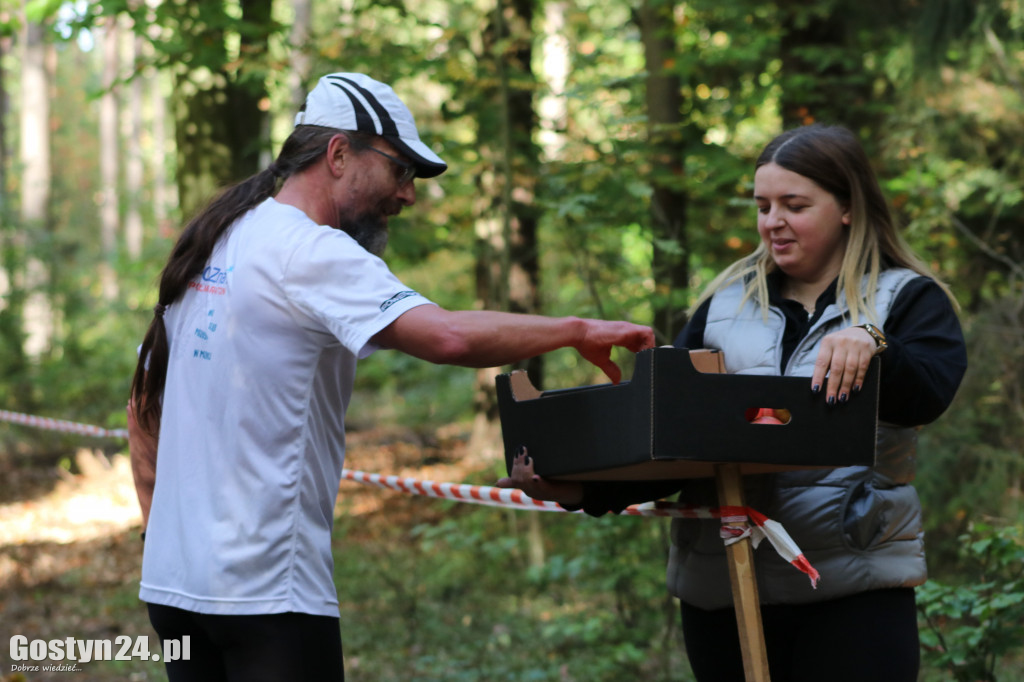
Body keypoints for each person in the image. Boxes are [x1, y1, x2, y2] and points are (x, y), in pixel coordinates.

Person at [128, 72, 655, 682]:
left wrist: (158, 532)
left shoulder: (217, 238)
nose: (407, 196)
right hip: (266, 595)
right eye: (400, 171)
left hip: (174, 590)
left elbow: (145, 403)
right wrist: (577, 330)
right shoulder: (312, 251)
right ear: (338, 153)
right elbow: (448, 335)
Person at [498, 123, 967, 682]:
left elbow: (929, 396)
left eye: (794, 204)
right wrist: (579, 489)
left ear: (848, 207)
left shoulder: (906, 299)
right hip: (723, 593)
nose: (773, 222)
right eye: (763, 205)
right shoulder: (722, 309)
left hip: (852, 591)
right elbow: (674, 441)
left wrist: (876, 344)